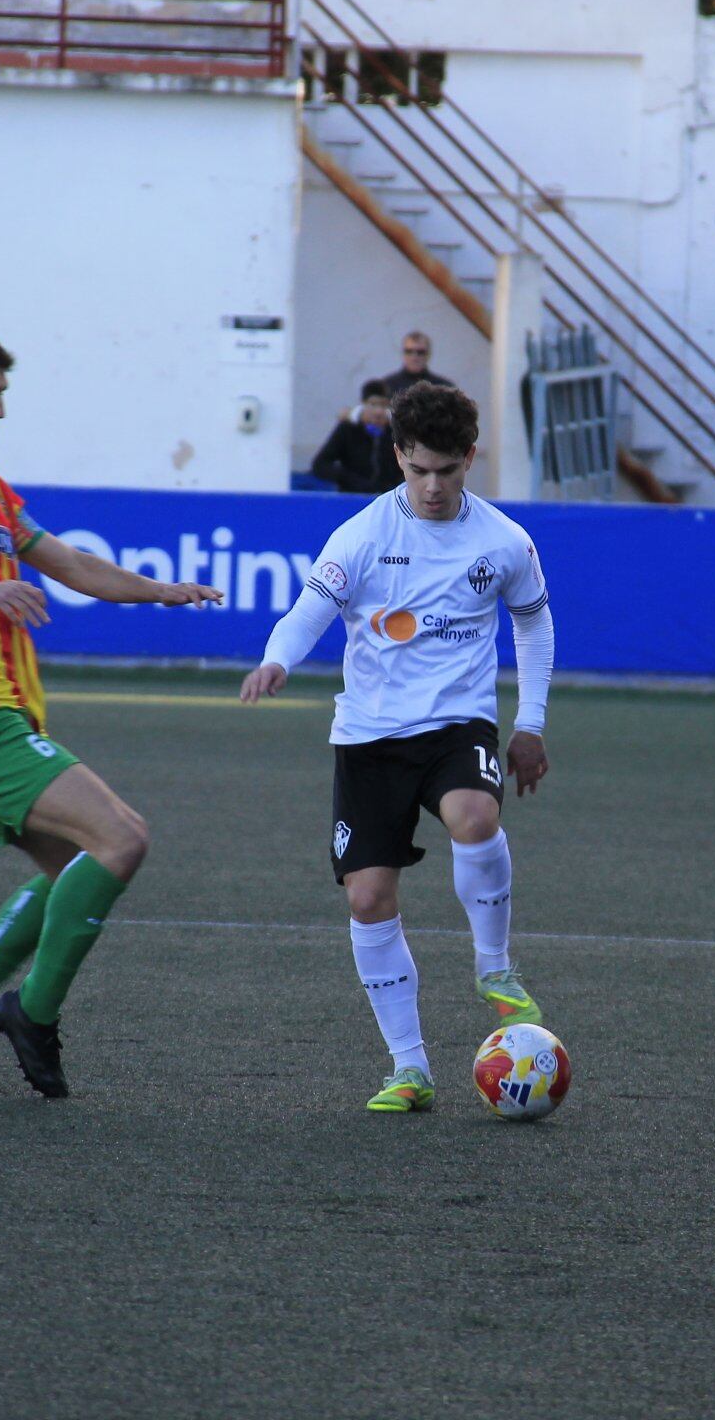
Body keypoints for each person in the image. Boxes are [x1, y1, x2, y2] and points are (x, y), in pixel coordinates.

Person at [0, 320, 222, 1098]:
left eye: (3, 394)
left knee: (75, 867)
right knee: (123, 839)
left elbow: (68, 562)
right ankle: (32, 1014)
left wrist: (161, 590)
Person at [241, 382, 554, 1113]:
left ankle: (495, 967)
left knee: (475, 818)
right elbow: (308, 609)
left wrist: (530, 722)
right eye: (419, 470)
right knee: (369, 897)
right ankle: (409, 1069)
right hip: (370, 738)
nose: (434, 486)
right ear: (398, 458)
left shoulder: (505, 542)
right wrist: (277, 658)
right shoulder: (361, 536)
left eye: (448, 469)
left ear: (470, 458)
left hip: (458, 724)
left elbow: (534, 625)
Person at [310, 379, 401, 494]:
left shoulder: (395, 433)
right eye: (373, 404)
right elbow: (320, 464)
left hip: (387, 499)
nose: (378, 411)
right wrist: (347, 478)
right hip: (352, 497)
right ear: (363, 404)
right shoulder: (347, 429)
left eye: (383, 405)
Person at [381, 330, 454, 400]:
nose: (414, 357)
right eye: (409, 351)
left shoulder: (443, 387)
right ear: (403, 353)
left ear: (428, 355)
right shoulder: (386, 386)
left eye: (420, 352)